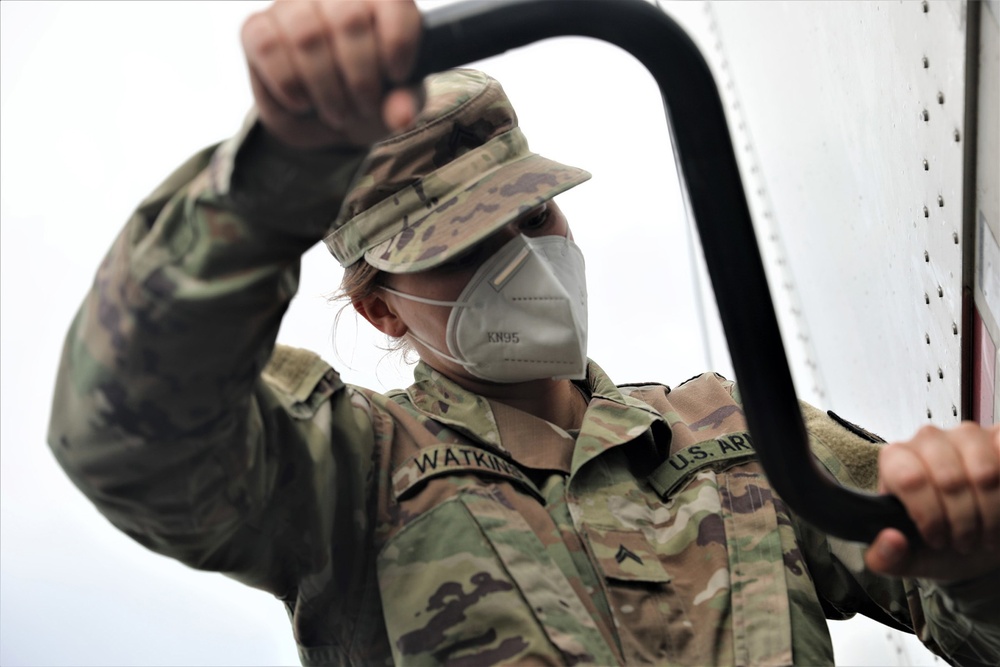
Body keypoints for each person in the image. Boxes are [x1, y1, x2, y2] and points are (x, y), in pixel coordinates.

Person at [48, 1, 999, 665]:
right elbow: (128, 431)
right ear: (383, 309)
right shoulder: (349, 472)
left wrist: (974, 560)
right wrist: (261, 189)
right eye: (466, 247)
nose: (524, 259)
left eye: (533, 217)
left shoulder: (737, 434)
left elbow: (970, 620)